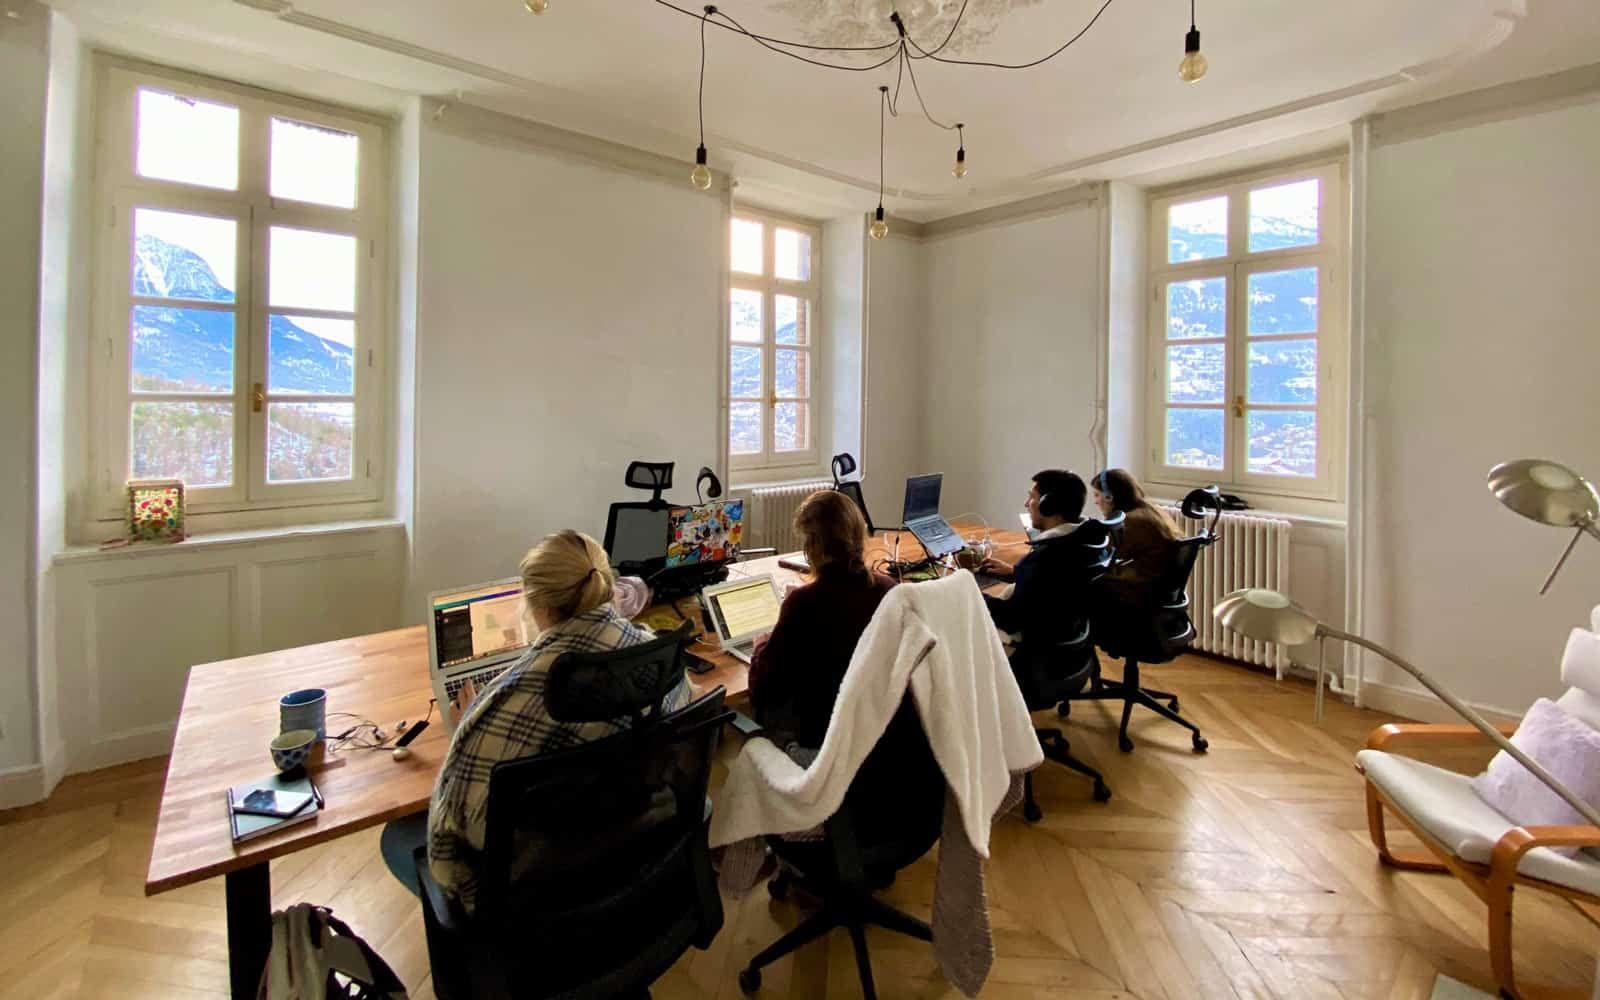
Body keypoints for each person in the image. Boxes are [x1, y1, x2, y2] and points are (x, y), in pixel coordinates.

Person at [426, 529, 689, 912]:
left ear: (536, 606)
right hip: (638, 860)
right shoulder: (662, 660)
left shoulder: (500, 706)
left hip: (532, 898)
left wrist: (471, 717)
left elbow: (447, 856)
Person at [747, 489, 896, 749]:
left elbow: (764, 691)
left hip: (821, 740)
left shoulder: (804, 604)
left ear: (813, 546)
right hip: (877, 735)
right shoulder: (889, 590)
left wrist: (760, 646)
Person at [980, 469, 1094, 652]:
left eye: (1032, 498)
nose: (1027, 504)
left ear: (1049, 505)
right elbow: (1048, 585)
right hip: (1068, 646)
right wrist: (1017, 572)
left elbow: (1010, 618)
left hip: (1033, 651)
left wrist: (971, 592)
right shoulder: (1080, 541)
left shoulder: (1049, 555)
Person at [1091, 468, 1180, 607]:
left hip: (1140, 592)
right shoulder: (1150, 511)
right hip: (1157, 586)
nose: (1095, 501)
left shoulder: (1131, 521)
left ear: (1110, 496)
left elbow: (1108, 554)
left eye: (1097, 495)